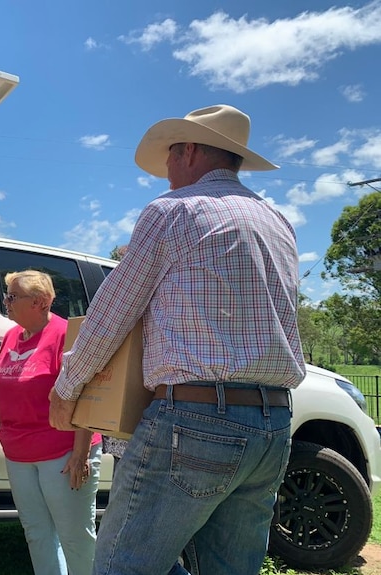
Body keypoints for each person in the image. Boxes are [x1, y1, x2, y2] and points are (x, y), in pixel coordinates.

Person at [48, 104, 305, 575]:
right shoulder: (278, 223)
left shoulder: (173, 211)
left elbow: (112, 312)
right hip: (273, 423)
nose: (165, 171)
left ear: (189, 150)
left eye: (169, 156)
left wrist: (67, 389)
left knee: (121, 566)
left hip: (196, 416)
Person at [0, 270, 101, 575]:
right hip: (19, 455)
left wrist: (81, 454)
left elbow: (87, 393)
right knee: (37, 534)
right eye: (7, 294)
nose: (5, 301)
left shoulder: (66, 335)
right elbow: (7, 385)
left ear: (40, 302)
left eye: (12, 295)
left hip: (62, 453)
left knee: (75, 538)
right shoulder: (12, 336)